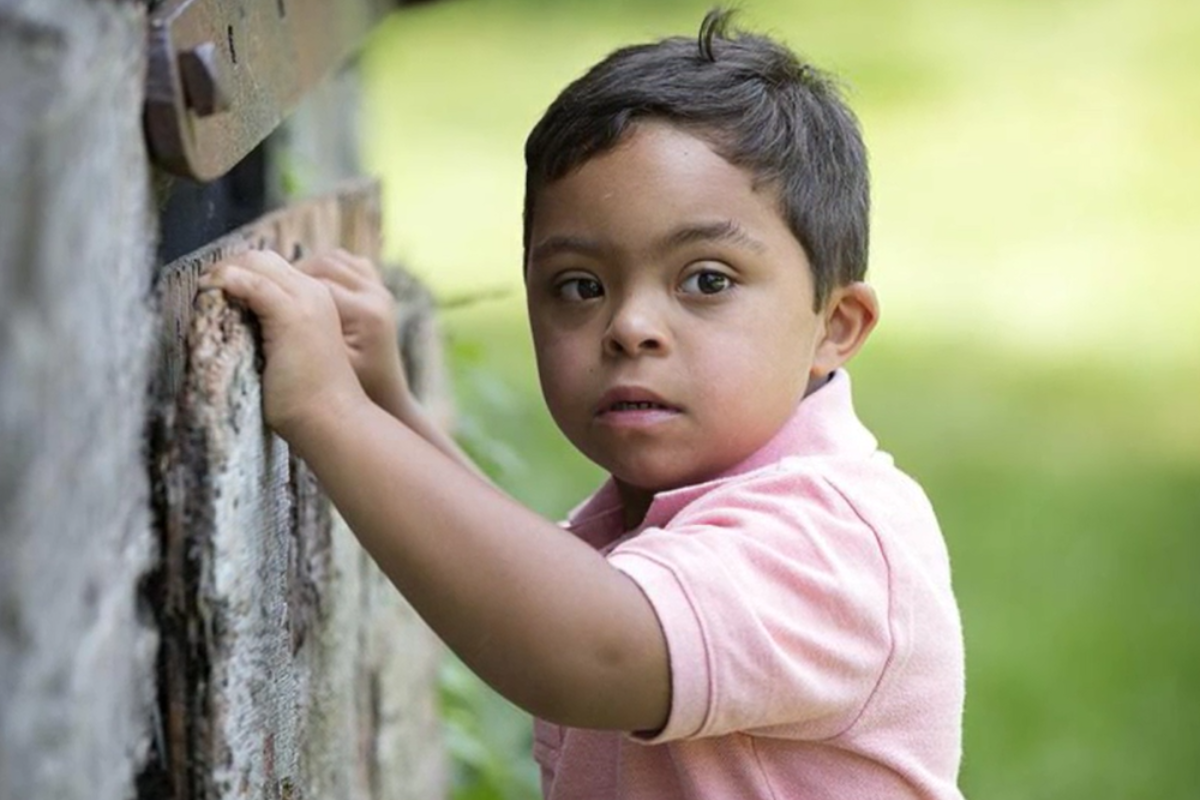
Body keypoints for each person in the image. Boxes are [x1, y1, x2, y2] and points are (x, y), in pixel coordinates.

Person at [200, 10, 965, 799]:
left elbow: (582, 647)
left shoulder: (831, 539)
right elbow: (531, 585)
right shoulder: (668, 515)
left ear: (834, 327)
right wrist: (388, 403)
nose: (630, 327)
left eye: (706, 280)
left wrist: (330, 413)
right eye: (580, 286)